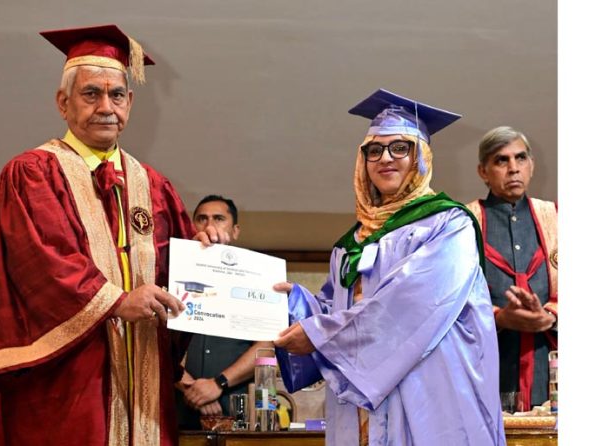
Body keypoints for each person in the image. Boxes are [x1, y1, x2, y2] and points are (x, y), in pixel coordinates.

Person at [0, 24, 225, 446]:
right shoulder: (33, 174)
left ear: (130, 103)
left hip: (145, 387)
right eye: (91, 94)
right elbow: (44, 262)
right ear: (63, 102)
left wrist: (203, 257)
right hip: (69, 383)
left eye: (117, 94)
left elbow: (178, 283)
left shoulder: (154, 187)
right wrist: (118, 301)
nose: (106, 106)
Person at [273, 89, 506, 445]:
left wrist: (320, 335)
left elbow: (408, 306)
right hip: (361, 411)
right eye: (374, 150)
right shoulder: (352, 243)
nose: (386, 158)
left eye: (400, 148)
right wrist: (294, 302)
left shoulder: (448, 225)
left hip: (429, 394)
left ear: (422, 158)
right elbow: (337, 309)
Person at [466, 126, 557, 411]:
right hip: (485, 368)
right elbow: (445, 300)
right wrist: (499, 317)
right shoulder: (462, 223)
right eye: (501, 160)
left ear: (532, 165)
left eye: (520, 158)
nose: (513, 168)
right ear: (483, 171)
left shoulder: (558, 218)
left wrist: (550, 317)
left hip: (551, 368)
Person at [175, 195, 272, 429]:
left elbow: (266, 346)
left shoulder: (259, 278)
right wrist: (191, 388)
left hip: (238, 405)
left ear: (235, 230)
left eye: (219, 218)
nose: (209, 226)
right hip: (179, 406)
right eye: (202, 219)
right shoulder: (174, 271)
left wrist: (217, 384)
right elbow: (153, 342)